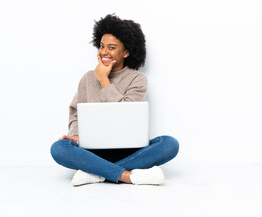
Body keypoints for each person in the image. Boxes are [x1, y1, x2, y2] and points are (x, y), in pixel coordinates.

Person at [50, 14, 179, 186]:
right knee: (58, 148)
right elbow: (75, 111)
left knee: (169, 144)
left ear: (126, 52)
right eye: (102, 46)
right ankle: (126, 175)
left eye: (111, 47)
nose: (104, 51)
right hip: (93, 150)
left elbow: (127, 113)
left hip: (128, 150)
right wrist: (76, 135)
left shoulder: (137, 79)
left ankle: (97, 173)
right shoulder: (88, 78)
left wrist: (104, 79)